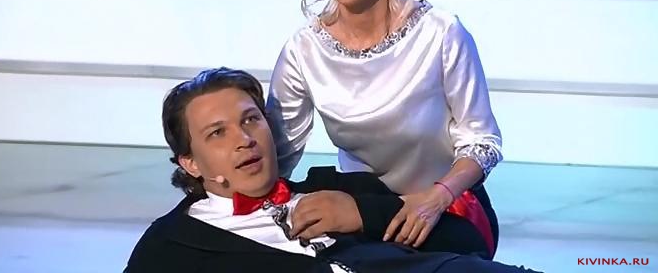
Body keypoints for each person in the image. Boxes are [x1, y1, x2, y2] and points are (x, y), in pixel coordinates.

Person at [267, 0, 502, 259]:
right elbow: (277, 156)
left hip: (446, 210)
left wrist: (436, 198)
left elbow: (483, 142)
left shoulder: (440, 33)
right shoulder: (303, 51)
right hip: (362, 212)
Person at [124, 67, 541, 273]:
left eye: (251, 120)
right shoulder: (170, 245)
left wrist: (363, 215)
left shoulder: (334, 187)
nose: (244, 139)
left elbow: (467, 242)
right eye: (218, 133)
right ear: (191, 162)